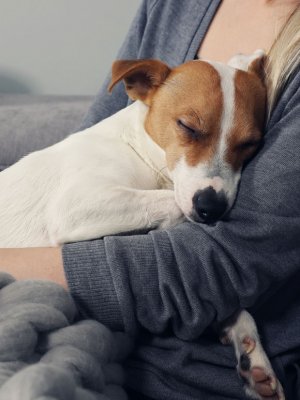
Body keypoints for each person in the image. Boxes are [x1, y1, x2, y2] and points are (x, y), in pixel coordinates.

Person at [1, 0, 300, 398]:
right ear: (139, 86)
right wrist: (178, 208)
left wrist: (235, 320)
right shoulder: (109, 154)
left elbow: (216, 265)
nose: (215, 180)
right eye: (191, 131)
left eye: (244, 147)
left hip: (157, 362)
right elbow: (73, 220)